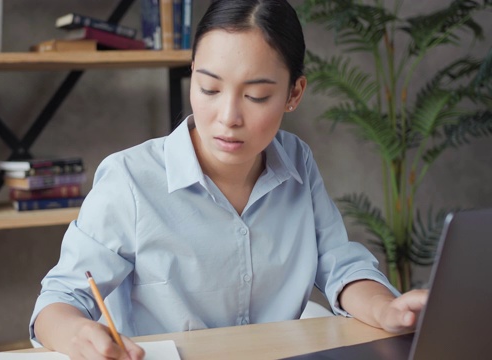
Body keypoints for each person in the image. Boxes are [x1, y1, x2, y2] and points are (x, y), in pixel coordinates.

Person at [30, 1, 428, 359]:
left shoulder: (297, 162)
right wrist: (78, 332)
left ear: (294, 93)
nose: (228, 117)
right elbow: (58, 302)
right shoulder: (130, 179)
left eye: (255, 96)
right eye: (209, 88)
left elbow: (339, 264)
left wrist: (385, 308)